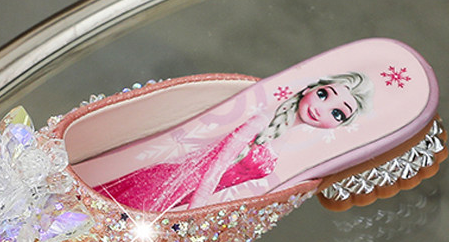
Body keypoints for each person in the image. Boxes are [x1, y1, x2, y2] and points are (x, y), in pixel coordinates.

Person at [97, 72, 373, 212]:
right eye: (324, 95)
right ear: (311, 88)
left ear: (340, 124)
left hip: (189, 199)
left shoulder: (283, 142)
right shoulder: (260, 121)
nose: (322, 109)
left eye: (337, 113)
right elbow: (216, 167)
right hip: (175, 184)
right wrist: (195, 212)